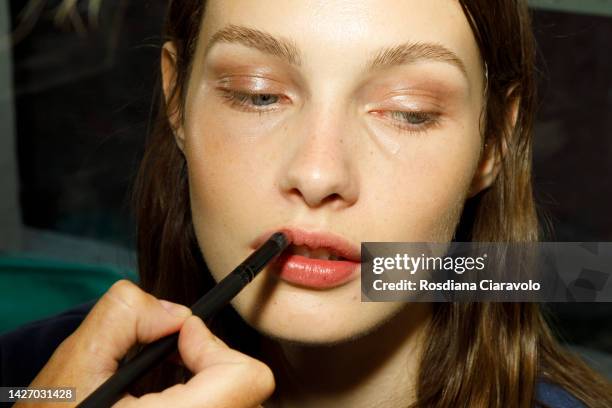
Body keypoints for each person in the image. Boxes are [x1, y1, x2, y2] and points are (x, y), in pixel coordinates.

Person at [4, 0, 612, 407]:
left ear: (492, 145)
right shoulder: (36, 382)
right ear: (176, 101)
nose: (318, 173)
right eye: (257, 95)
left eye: (409, 110)